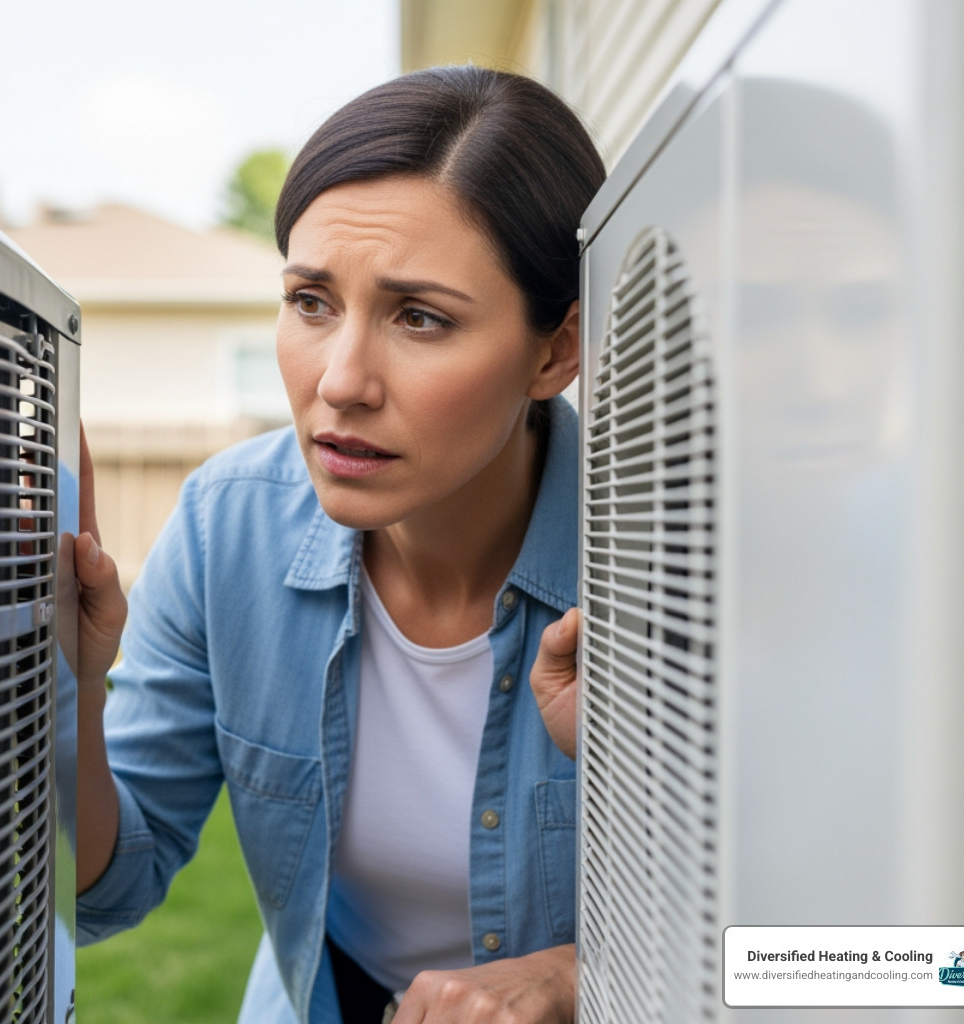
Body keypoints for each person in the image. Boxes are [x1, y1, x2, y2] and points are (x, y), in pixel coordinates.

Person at [70, 66, 603, 1024]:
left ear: (555, 351)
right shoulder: (224, 528)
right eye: (312, 301)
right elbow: (105, 890)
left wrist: (572, 977)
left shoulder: (686, 562)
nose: (342, 381)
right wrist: (63, 687)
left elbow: (925, 963)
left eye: (421, 317)